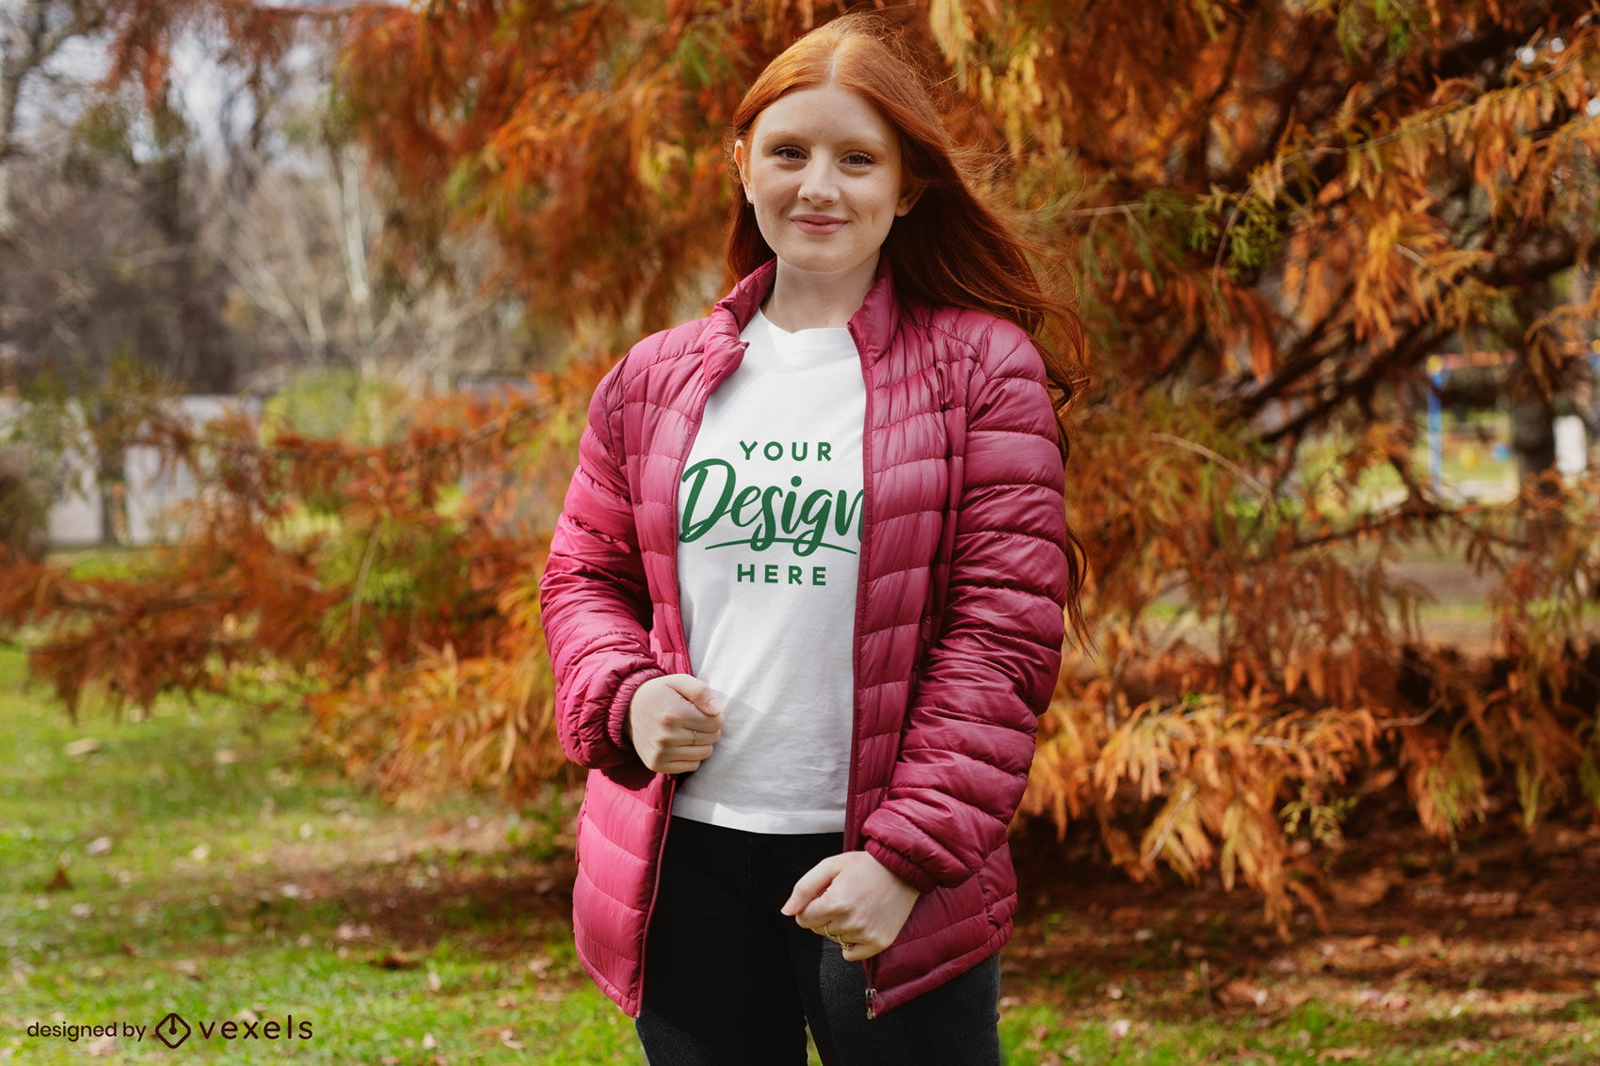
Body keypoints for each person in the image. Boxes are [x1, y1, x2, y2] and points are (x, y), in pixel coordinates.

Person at [539, 12, 1088, 1064]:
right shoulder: (654, 377)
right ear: (743, 164)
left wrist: (905, 860)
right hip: (682, 861)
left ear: (907, 185)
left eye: (856, 158)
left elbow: (1000, 638)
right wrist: (625, 692)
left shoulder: (980, 371)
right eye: (788, 152)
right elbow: (584, 576)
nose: (819, 186)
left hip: (878, 871)